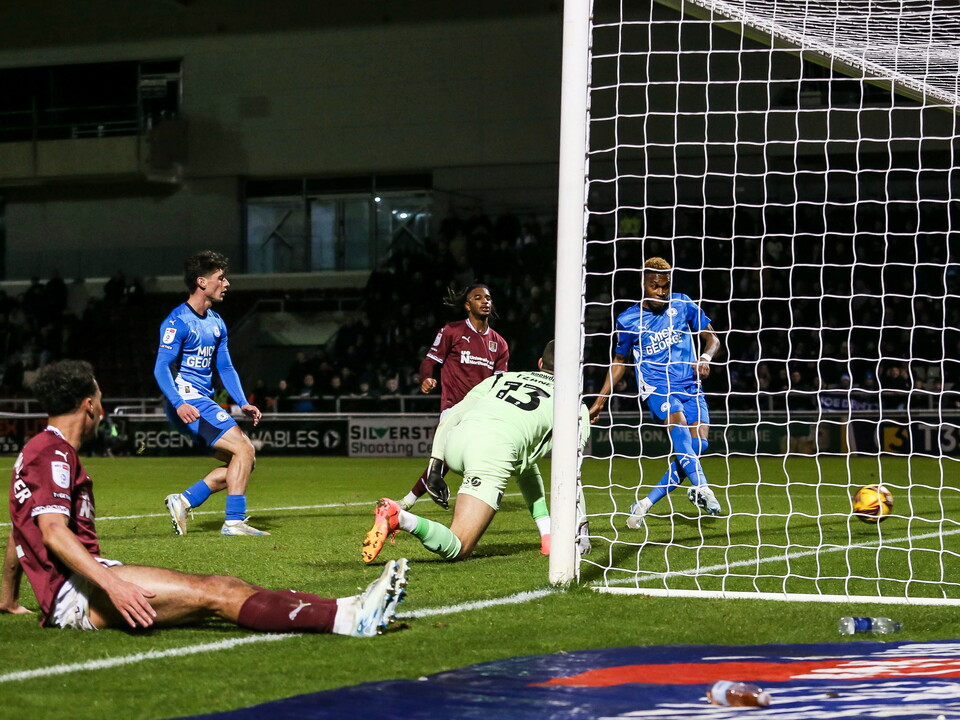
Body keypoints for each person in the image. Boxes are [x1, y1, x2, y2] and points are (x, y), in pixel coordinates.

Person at [2, 359, 408, 635]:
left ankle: (346, 606)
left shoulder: (44, 450)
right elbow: (51, 531)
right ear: (88, 405)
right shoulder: (51, 451)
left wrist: (7, 599)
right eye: (101, 401)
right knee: (217, 594)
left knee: (227, 583)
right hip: (80, 593)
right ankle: (347, 620)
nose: (104, 411)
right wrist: (113, 583)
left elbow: (19, 533)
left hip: (84, 583)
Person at [362, 341, 590, 564]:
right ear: (576, 368)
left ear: (540, 363)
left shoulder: (502, 378)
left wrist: (435, 467)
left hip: (456, 441)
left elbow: (452, 415)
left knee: (525, 462)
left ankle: (547, 535)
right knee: (459, 546)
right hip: (492, 450)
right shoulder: (573, 403)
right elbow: (571, 473)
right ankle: (399, 517)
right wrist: (583, 530)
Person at [588, 257, 722, 529]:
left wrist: (706, 358)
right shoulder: (627, 320)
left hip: (690, 384)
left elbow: (713, 338)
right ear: (643, 283)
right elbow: (619, 361)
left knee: (699, 446)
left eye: (665, 286)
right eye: (655, 286)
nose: (661, 292)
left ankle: (644, 505)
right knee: (680, 427)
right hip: (657, 387)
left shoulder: (682, 303)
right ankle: (703, 487)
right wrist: (601, 400)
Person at [154, 251, 266, 536]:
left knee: (242, 463)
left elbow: (226, 367)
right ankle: (233, 522)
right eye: (221, 278)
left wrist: (243, 402)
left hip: (200, 400)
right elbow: (161, 368)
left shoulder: (216, 322)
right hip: (188, 400)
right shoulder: (177, 321)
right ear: (202, 282)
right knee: (244, 449)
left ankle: (183, 500)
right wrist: (178, 403)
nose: (226, 283)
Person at [400, 284, 509, 510]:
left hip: (482, 410)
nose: (485, 301)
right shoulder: (452, 331)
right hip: (454, 405)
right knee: (448, 455)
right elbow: (430, 360)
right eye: (478, 298)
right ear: (468, 305)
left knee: (464, 458)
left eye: (488, 297)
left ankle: (422, 496)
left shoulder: (499, 343)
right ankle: (410, 500)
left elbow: (499, 382)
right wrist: (426, 378)